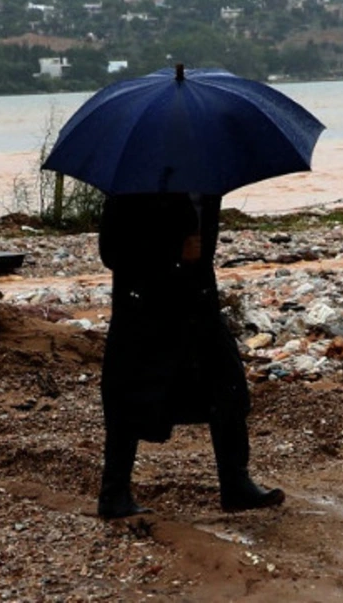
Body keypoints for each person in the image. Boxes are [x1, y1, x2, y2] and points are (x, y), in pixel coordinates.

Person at [96, 192, 285, 519]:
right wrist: (172, 251)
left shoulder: (207, 183)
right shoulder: (132, 186)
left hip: (197, 304)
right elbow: (111, 251)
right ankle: (114, 493)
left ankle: (236, 483)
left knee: (227, 386)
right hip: (145, 309)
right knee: (129, 397)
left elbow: (203, 250)